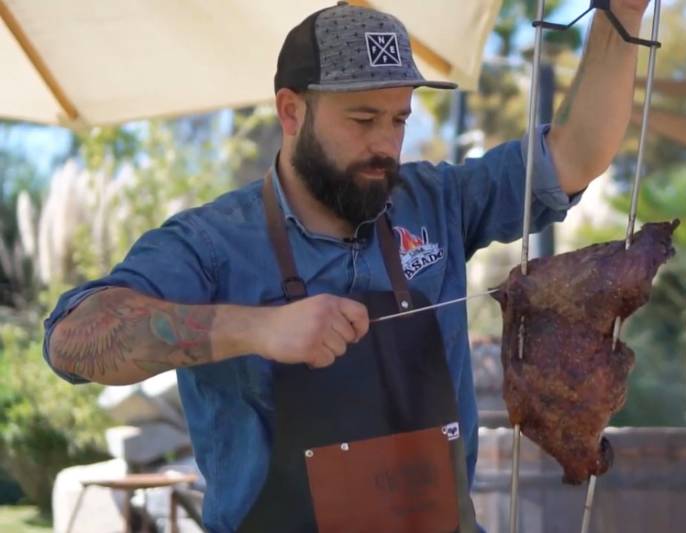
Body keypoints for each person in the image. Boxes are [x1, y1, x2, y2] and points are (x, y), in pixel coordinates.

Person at [44, 1, 649, 531]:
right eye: (363, 119)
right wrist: (257, 329)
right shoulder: (212, 244)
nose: (386, 144)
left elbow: (576, 154)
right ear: (291, 112)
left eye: (399, 119)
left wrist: (622, 13)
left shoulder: (437, 203)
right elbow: (74, 339)